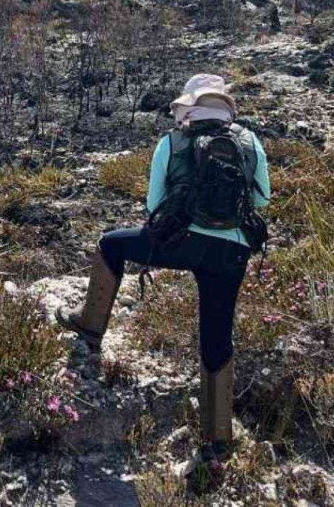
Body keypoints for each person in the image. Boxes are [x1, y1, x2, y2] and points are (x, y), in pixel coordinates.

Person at [57, 74, 271, 464]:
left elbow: (154, 202)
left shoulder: (171, 143)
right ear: (224, 109)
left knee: (110, 244)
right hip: (232, 252)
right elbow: (262, 200)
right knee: (217, 337)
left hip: (179, 243)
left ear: (188, 108)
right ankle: (217, 439)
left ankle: (89, 328)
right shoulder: (250, 142)